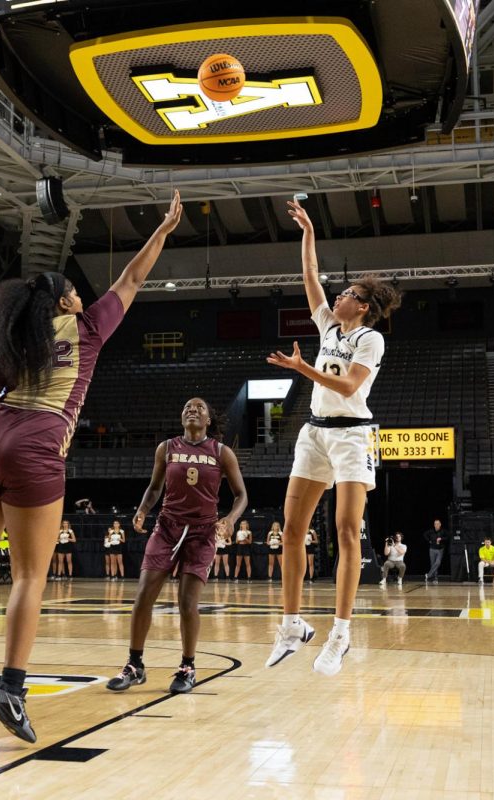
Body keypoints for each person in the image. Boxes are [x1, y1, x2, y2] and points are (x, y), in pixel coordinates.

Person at [0, 190, 182, 742]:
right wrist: (163, 232)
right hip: (36, 444)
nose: (83, 296)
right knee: (31, 575)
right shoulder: (87, 328)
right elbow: (131, 279)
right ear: (63, 304)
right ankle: (10, 687)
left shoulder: (12, 340)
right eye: (75, 292)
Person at [264, 199, 402, 676]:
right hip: (314, 433)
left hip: (353, 437)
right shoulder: (326, 325)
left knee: (346, 530)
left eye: (345, 293)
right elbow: (309, 275)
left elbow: (347, 386)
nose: (335, 296)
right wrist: (307, 230)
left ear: (361, 306)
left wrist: (301, 368)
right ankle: (292, 624)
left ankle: (340, 632)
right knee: (292, 531)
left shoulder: (370, 339)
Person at [107, 397, 247, 695]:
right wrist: (143, 509)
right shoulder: (167, 448)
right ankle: (135, 665)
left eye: (199, 408)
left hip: (202, 533)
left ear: (208, 420)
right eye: (186, 407)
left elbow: (241, 495)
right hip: (167, 528)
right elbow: (155, 486)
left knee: (187, 603)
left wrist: (232, 519)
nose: (192, 410)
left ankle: (187, 666)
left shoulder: (222, 453)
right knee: (144, 595)